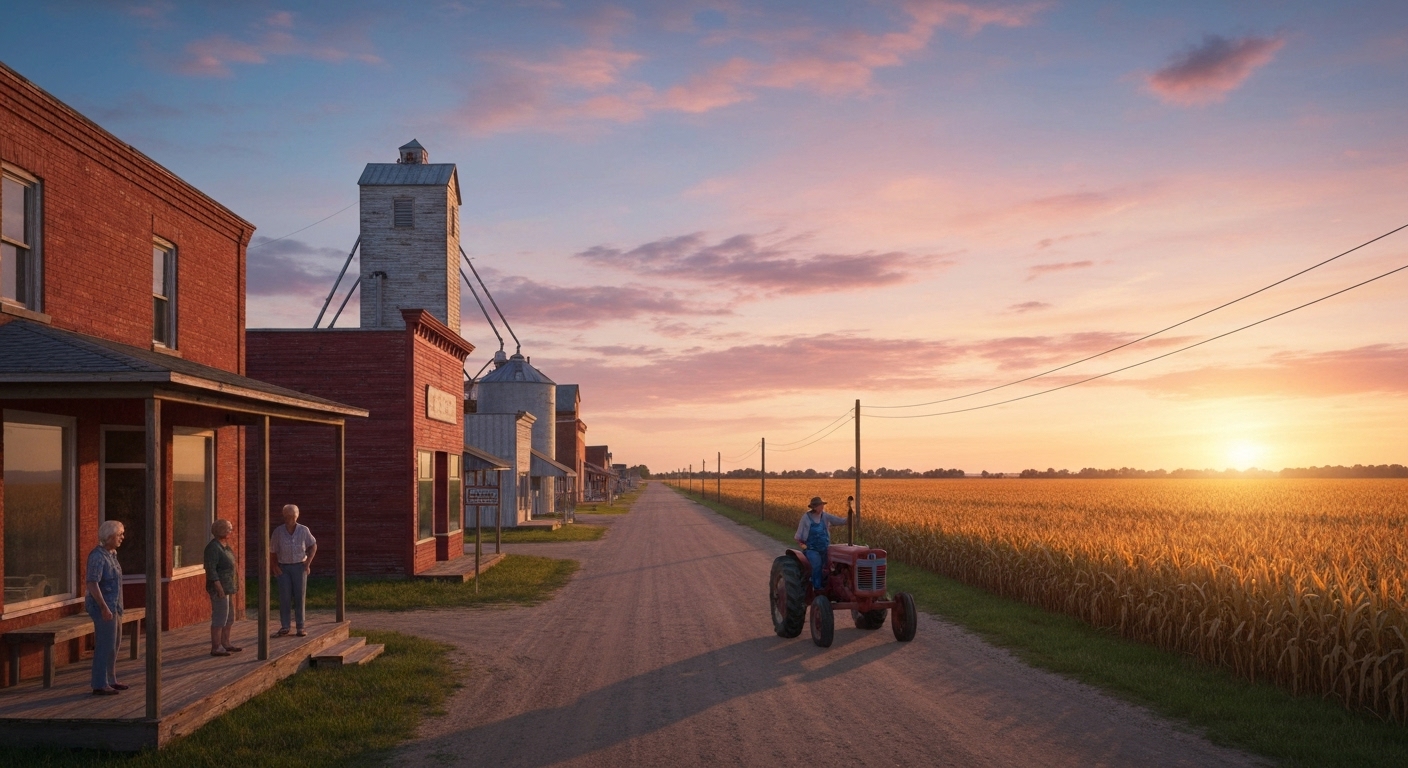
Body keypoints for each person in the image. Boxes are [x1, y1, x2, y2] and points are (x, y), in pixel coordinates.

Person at [85, 520, 127, 695]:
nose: (122, 538)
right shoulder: (97, 557)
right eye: (119, 535)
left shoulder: (112, 554)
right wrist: (103, 607)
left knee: (114, 644)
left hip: (115, 605)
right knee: (105, 644)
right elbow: (92, 583)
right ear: (109, 536)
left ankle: (111, 679)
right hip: (104, 606)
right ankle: (99, 683)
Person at [272, 504, 317, 638]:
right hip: (283, 567)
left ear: (297, 516)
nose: (289, 518)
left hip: (299, 566)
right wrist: (274, 567)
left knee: (299, 597)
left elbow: (313, 545)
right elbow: (273, 551)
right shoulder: (278, 532)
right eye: (287, 516)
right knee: (284, 597)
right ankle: (285, 626)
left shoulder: (303, 530)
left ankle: (300, 627)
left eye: (292, 516)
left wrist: (308, 562)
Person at [204, 519, 241, 656]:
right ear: (220, 530)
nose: (230, 531)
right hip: (219, 588)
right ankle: (216, 646)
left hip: (229, 587)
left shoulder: (225, 545)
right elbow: (211, 570)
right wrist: (219, 587)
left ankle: (226, 642)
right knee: (220, 616)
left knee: (229, 616)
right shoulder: (213, 548)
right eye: (228, 529)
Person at [794, 496, 846, 590]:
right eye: (820, 505)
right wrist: (802, 544)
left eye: (822, 505)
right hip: (811, 549)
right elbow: (798, 535)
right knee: (817, 564)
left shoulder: (825, 516)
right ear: (814, 507)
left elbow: (839, 521)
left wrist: (850, 518)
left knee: (832, 567)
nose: (822, 507)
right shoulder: (806, 518)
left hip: (825, 548)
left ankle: (831, 588)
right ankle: (816, 587)